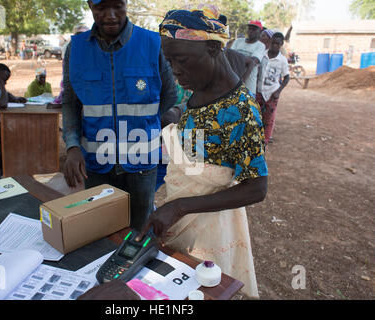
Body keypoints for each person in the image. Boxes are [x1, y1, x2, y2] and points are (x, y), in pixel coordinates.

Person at [137, 5, 268, 298]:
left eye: (181, 60)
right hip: (184, 217)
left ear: (212, 48)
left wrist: (180, 206)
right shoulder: (199, 88)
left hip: (209, 229)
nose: (175, 70)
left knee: (204, 286)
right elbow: (201, 141)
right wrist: (175, 117)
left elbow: (257, 189)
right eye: (169, 61)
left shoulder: (241, 110)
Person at [62, 0, 178, 230]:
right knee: (100, 229)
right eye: (101, 8)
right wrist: (73, 147)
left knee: (140, 229)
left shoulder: (152, 43)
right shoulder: (76, 49)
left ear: (126, 3)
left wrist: (145, 123)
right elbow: (70, 104)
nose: (111, 15)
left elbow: (169, 96)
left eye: (117, 6)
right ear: (90, 6)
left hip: (142, 162)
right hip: (96, 164)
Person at [256, 32, 290, 145]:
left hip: (272, 92)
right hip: (260, 91)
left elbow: (286, 77)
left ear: (281, 44)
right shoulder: (262, 55)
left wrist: (278, 91)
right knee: (256, 116)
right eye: (273, 43)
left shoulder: (282, 60)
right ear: (270, 42)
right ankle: (255, 138)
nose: (275, 45)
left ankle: (264, 141)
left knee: (269, 119)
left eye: (277, 44)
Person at [230, 20, 266, 95]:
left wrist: (237, 57)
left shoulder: (260, 46)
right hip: (232, 84)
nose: (251, 31)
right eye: (249, 28)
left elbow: (253, 61)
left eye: (254, 29)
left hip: (249, 88)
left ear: (260, 31)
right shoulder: (238, 41)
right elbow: (230, 57)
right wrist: (247, 60)